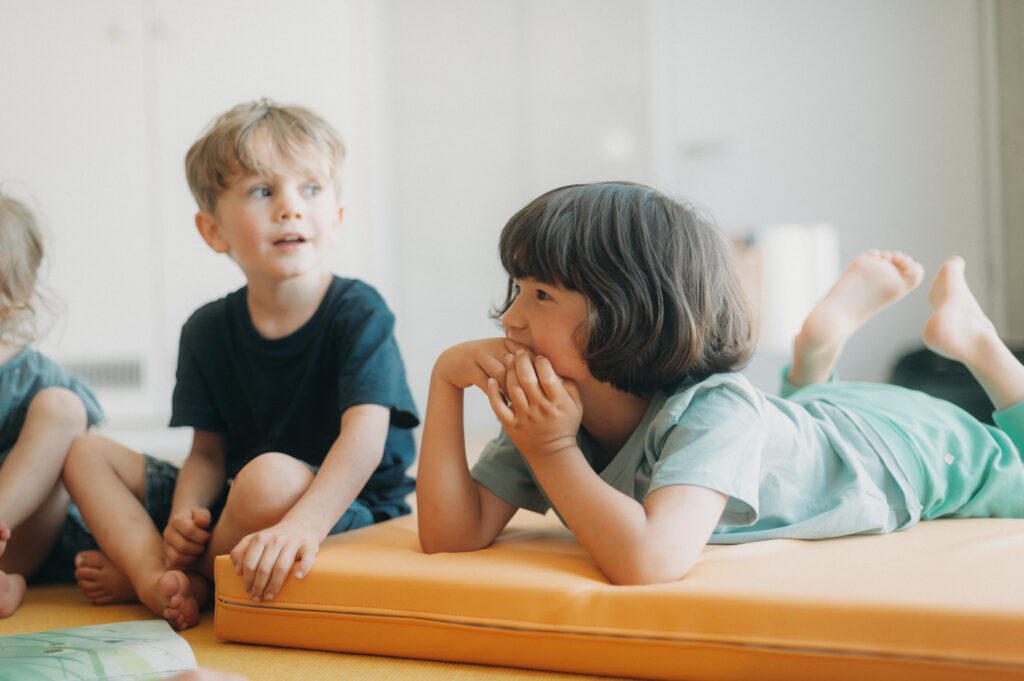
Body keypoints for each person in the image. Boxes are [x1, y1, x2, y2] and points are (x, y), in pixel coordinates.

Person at [417, 180, 1024, 586]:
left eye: (542, 295)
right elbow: (451, 535)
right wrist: (445, 383)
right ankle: (816, 354)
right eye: (518, 289)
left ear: (632, 309)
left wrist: (552, 451)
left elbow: (651, 560)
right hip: (811, 422)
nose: (511, 317)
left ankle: (979, 346)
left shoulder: (713, 410)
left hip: (893, 447)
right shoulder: (549, 410)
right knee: (800, 416)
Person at [63, 99, 418, 629]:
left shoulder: (359, 311)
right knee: (85, 451)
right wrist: (185, 516)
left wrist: (302, 526)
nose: (290, 208)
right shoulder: (205, 328)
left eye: (311, 189)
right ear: (213, 231)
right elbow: (207, 453)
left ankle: (197, 580)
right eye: (262, 191)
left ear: (336, 220)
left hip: (342, 504)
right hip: (237, 500)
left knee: (268, 477)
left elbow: (365, 443)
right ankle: (154, 574)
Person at [0, 191, 105, 617]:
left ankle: (11, 572)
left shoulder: (36, 378)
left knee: (62, 408)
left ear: (14, 295)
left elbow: (90, 465)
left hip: (28, 536)